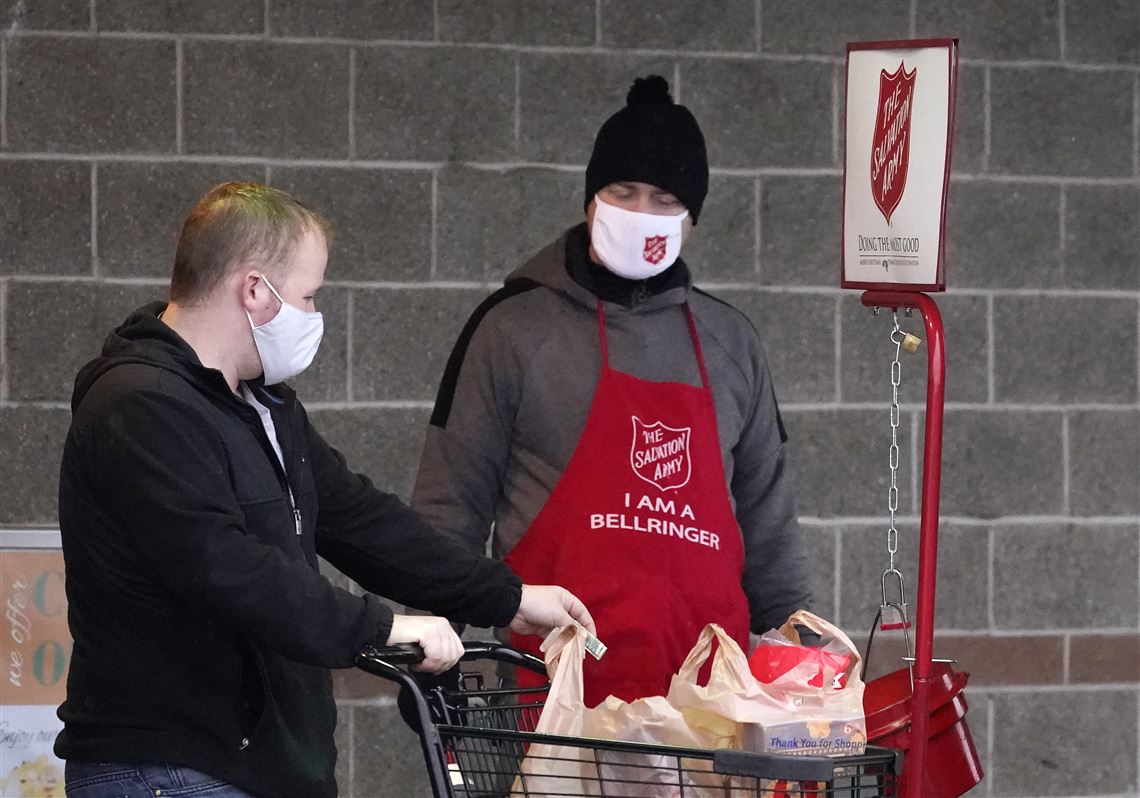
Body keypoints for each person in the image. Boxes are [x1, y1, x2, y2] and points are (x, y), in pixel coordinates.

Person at [55, 182, 594, 798]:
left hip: (260, 765)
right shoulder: (141, 406)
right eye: (308, 296)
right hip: (173, 767)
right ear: (255, 290)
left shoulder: (261, 403)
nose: (313, 317)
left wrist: (508, 596)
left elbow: (360, 520)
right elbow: (227, 569)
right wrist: (384, 627)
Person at [412, 75, 811, 707]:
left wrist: (805, 649)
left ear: (692, 221)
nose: (640, 212)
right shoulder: (513, 327)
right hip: (556, 700)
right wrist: (430, 645)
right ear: (589, 201)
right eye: (622, 191)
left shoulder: (732, 342)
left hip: (709, 708)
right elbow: (448, 506)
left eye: (662, 197)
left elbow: (768, 518)